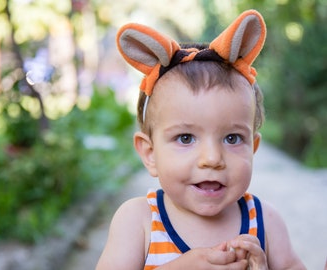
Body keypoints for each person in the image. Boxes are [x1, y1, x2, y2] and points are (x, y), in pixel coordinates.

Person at [96, 10, 306, 270]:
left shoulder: (265, 223)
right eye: (185, 138)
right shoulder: (138, 222)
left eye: (232, 138)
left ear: (253, 148)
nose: (212, 159)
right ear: (150, 154)